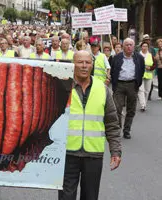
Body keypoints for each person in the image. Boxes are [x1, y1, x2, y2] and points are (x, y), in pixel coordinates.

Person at [58, 50, 122, 200]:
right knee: (66, 196)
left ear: (92, 65)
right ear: (73, 64)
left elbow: (112, 123)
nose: (84, 66)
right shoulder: (62, 86)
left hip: (93, 154)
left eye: (88, 62)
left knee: (90, 196)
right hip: (67, 153)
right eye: (80, 62)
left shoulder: (102, 89)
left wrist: (116, 151)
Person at [111, 38, 145, 139]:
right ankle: (117, 129)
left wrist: (137, 84)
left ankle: (127, 130)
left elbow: (141, 71)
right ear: (123, 46)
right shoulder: (116, 58)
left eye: (131, 45)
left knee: (131, 110)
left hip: (132, 85)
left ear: (134, 46)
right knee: (117, 108)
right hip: (119, 85)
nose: (129, 47)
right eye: (127, 45)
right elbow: (113, 71)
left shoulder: (139, 58)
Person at [138, 41, 156, 111]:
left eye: (146, 46)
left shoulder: (150, 55)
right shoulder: (138, 55)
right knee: (140, 90)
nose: (144, 47)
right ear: (141, 47)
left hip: (148, 75)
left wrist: (150, 68)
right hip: (140, 75)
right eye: (143, 46)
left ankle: (144, 103)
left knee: (147, 91)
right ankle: (143, 105)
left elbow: (155, 65)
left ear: (148, 47)